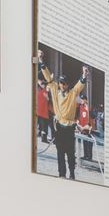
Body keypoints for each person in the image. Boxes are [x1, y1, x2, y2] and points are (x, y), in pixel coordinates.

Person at [37, 50, 89, 180]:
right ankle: (61, 174)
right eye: (60, 83)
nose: (62, 85)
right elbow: (48, 78)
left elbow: (79, 86)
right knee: (60, 152)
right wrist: (41, 61)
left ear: (67, 84)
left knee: (70, 153)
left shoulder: (72, 93)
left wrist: (84, 74)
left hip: (69, 128)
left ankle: (72, 173)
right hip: (59, 127)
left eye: (64, 83)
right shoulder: (55, 90)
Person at [76, 95, 95, 161]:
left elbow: (93, 116)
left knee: (89, 142)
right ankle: (85, 155)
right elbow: (80, 115)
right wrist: (78, 122)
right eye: (81, 99)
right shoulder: (80, 106)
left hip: (89, 127)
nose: (82, 101)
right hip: (83, 127)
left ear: (86, 100)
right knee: (84, 141)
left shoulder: (89, 107)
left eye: (83, 99)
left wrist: (88, 110)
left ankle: (89, 156)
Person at [35, 78, 53, 144]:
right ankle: (44, 138)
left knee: (42, 126)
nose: (45, 86)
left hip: (39, 112)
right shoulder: (45, 92)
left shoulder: (38, 92)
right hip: (44, 113)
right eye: (44, 84)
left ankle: (41, 136)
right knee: (44, 127)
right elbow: (49, 101)